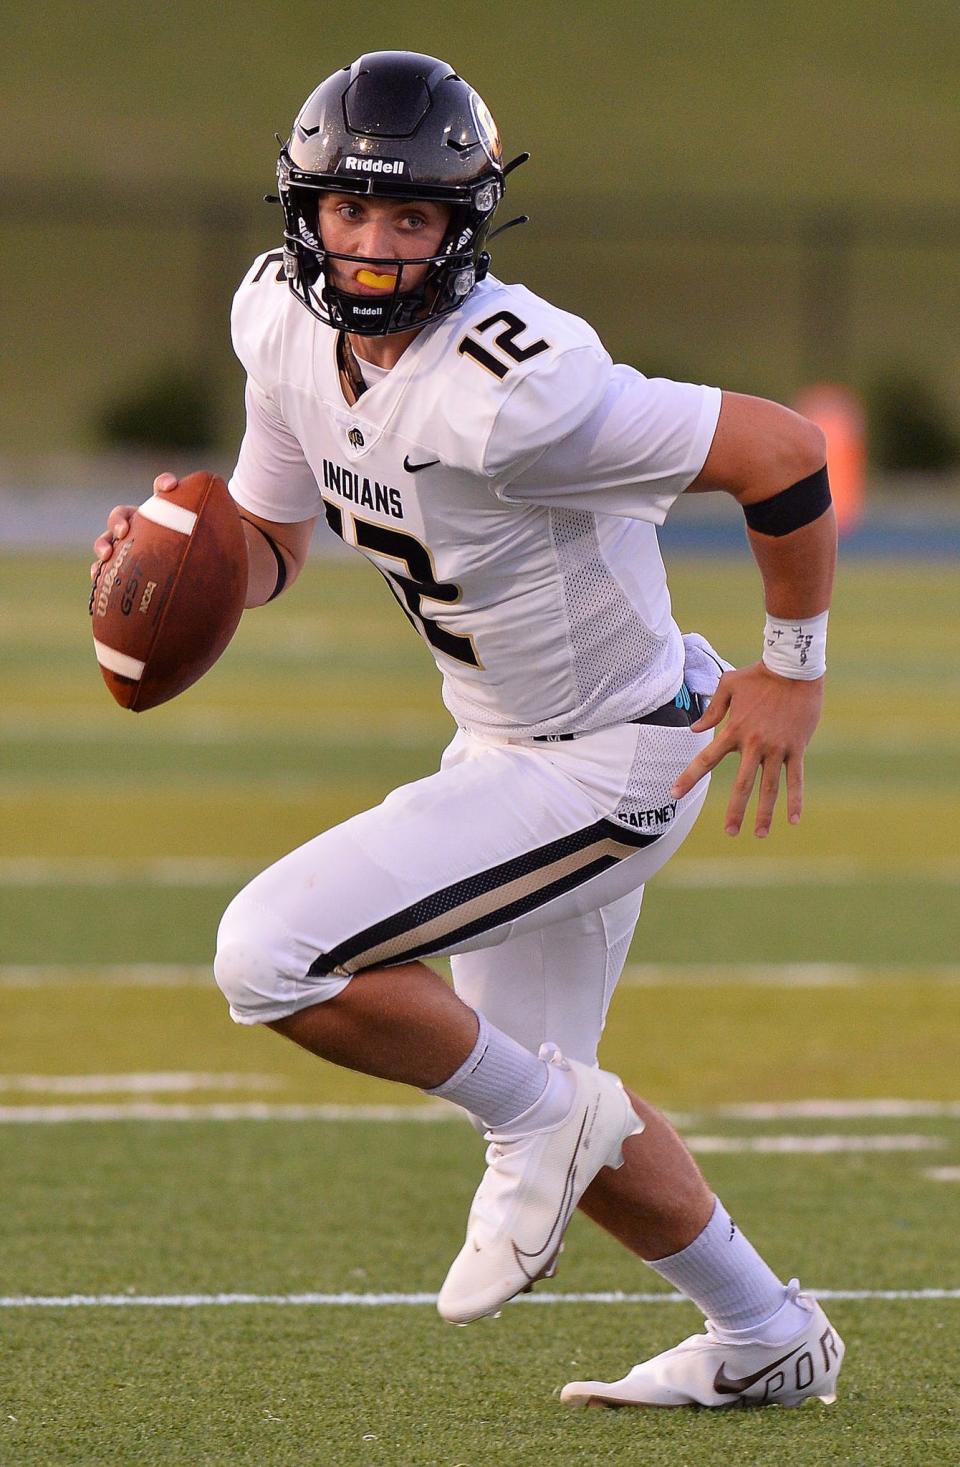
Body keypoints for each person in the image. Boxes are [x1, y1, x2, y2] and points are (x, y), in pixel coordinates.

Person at [92, 51, 843, 1409]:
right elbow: (272, 537)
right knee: (548, 1095)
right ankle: (764, 1333)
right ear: (302, 212)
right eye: (349, 211)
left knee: (272, 954)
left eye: (411, 218)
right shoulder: (277, 325)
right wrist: (185, 557)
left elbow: (784, 453)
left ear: (463, 226)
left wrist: (792, 669)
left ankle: (554, 1125)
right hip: (505, 745)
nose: (374, 245)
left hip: (617, 754)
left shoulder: (516, 383)